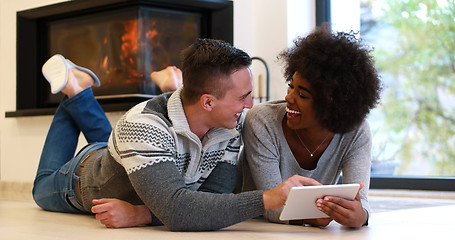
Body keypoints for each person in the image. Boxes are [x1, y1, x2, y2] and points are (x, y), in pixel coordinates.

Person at [32, 39, 320, 231]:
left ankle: (82, 91)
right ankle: (75, 89)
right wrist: (268, 198)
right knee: (40, 187)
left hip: (136, 156)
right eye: (243, 97)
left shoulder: (229, 125)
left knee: (130, 144)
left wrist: (142, 214)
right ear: (207, 102)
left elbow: (213, 197)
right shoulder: (142, 126)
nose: (250, 106)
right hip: (82, 179)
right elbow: (179, 211)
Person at [240, 26, 382, 228]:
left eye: (303, 95)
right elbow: (271, 206)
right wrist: (313, 216)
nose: (289, 98)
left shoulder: (356, 132)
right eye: (291, 86)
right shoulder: (262, 121)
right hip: (251, 227)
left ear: (333, 104)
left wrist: (360, 216)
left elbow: (360, 202)